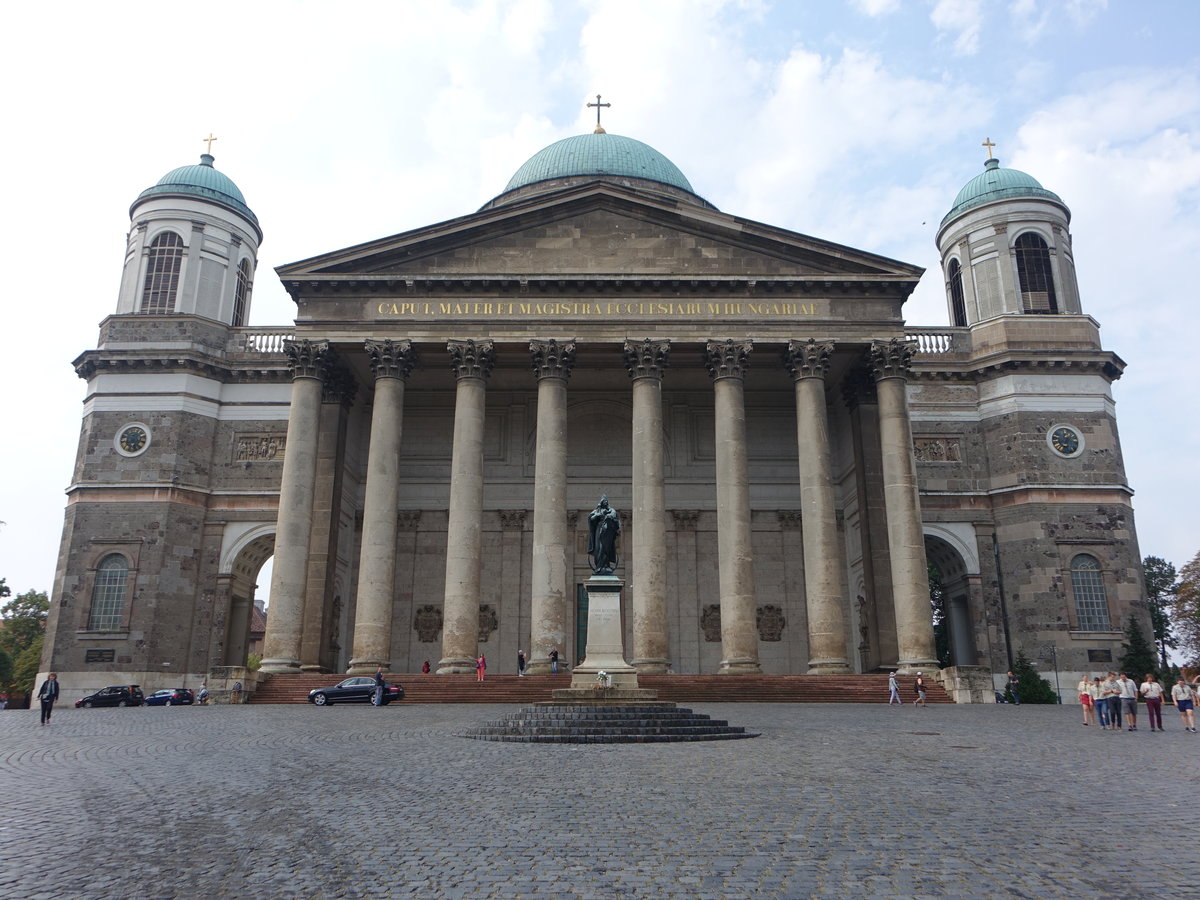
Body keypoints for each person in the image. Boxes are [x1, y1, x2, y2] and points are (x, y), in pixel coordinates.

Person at [587, 495, 621, 574]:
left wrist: (609, 516)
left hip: (607, 533)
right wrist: (597, 515)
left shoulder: (611, 510)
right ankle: (599, 566)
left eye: (606, 502)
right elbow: (590, 518)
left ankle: (606, 565)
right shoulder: (597, 511)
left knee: (605, 549)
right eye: (604, 501)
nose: (605, 503)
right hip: (599, 531)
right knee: (599, 548)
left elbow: (614, 517)